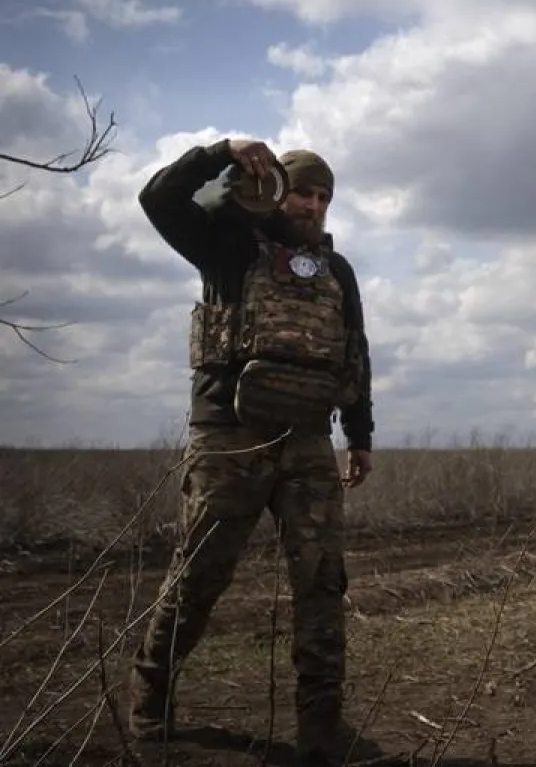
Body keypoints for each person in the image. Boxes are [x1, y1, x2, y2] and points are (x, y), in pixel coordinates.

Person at [127, 138, 377, 766]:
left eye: (323, 196)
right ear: (276, 189)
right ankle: (151, 696)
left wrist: (361, 434)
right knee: (201, 574)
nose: (313, 204)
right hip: (230, 435)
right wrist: (223, 153)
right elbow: (157, 198)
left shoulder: (336, 269)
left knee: (321, 581)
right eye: (302, 191)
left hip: (310, 438)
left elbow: (355, 351)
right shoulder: (227, 241)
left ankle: (321, 726)